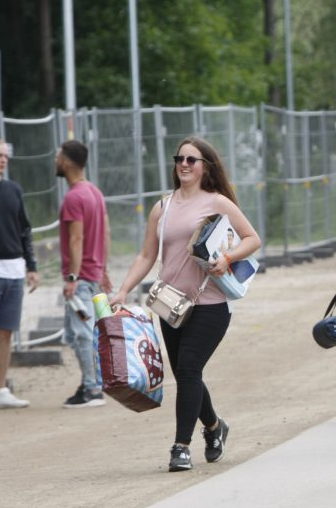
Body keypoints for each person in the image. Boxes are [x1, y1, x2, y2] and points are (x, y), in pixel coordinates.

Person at [109, 136, 262, 471]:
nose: (184, 165)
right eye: (180, 159)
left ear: (205, 166)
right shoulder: (162, 208)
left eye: (192, 160)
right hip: (170, 305)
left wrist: (227, 256)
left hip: (209, 304)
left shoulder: (218, 202)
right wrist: (123, 290)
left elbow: (253, 238)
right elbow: (147, 254)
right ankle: (214, 427)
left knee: (190, 369)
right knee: (185, 373)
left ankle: (181, 446)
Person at [55, 140, 112, 408]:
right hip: (94, 273)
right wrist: (104, 268)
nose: (55, 160)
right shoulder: (95, 193)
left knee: (81, 334)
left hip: (82, 278)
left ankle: (92, 388)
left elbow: (76, 239)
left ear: (66, 162)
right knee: (80, 332)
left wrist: (72, 278)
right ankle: (90, 382)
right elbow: (107, 232)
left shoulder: (73, 197)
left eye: (58, 156)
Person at [0, 138, 39, 409]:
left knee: (5, 332)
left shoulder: (14, 190)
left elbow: (25, 230)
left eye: (5, 156)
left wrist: (31, 266)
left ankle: (0, 389)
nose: (3, 159)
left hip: (14, 270)